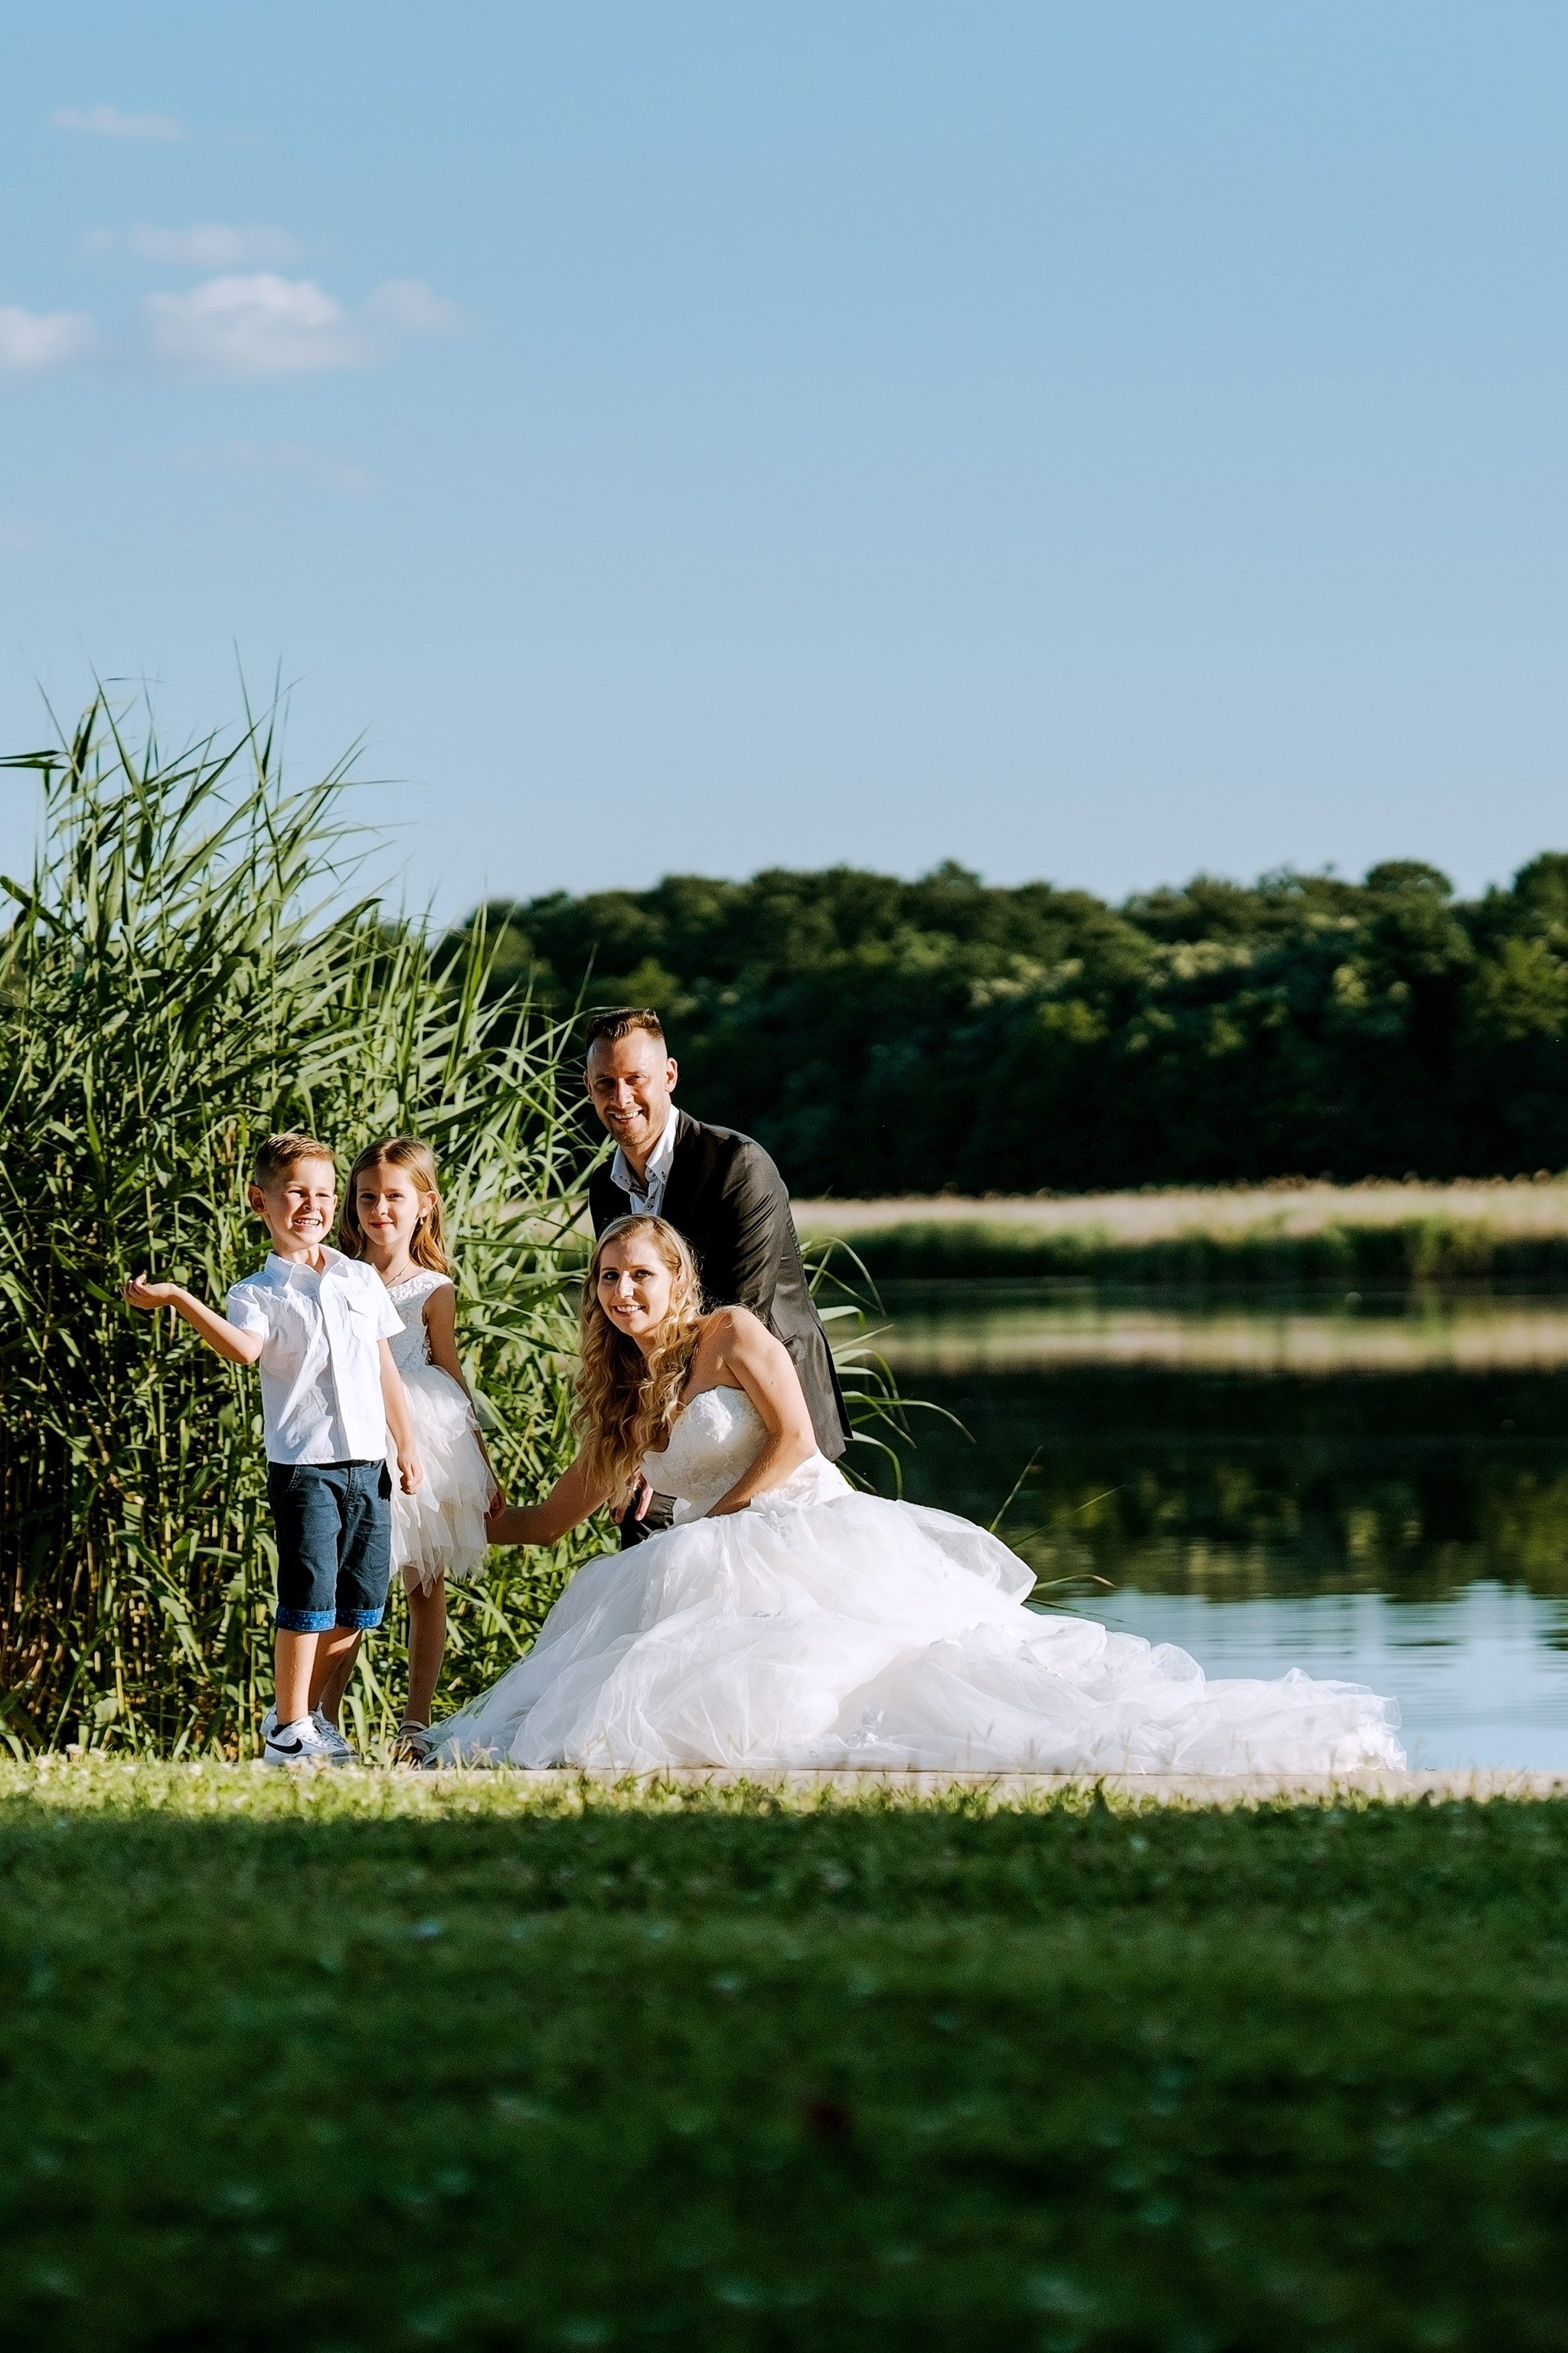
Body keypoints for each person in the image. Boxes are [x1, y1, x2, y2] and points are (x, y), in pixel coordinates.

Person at [426, 1214, 1405, 1774]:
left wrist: (717, 1525)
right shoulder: (626, 1392)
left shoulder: (728, 1334)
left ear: (675, 1277)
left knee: (908, 1668)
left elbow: (798, 1438)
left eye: (639, 1273)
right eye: (606, 1276)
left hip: (799, 1525)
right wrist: (464, 1505)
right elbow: (555, 1515)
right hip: (711, 1545)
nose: (620, 1291)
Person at [123, 1130, 420, 1768]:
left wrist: (408, 1442)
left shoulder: (360, 1278)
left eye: (322, 1193)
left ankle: (305, 1715)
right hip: (306, 1467)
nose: (311, 1206)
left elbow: (382, 1366)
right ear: (261, 1201)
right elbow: (245, 1349)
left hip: (369, 1462)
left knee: (359, 1603)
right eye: (295, 1193)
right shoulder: (257, 1292)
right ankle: (289, 1729)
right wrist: (178, 1298)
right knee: (309, 1593)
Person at [583, 1008, 849, 1545]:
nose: (622, 1097)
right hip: (674, 1417)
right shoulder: (604, 1190)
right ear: (589, 1088)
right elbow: (633, 1316)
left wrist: (659, 1433)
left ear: (670, 1075)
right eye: (605, 1083)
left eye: (636, 1079)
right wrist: (640, 1444)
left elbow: (740, 1310)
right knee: (649, 1562)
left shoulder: (736, 1164)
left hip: (763, 1411)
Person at [338, 1136, 500, 1763]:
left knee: (424, 1584)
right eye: (368, 1197)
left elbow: (453, 1374)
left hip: (423, 1434)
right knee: (352, 1582)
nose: (380, 1208)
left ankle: (415, 1724)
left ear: (424, 1205)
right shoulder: (339, 1273)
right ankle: (320, 1720)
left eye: (395, 1197)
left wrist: (483, 1463)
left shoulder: (433, 1288)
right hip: (353, 1429)